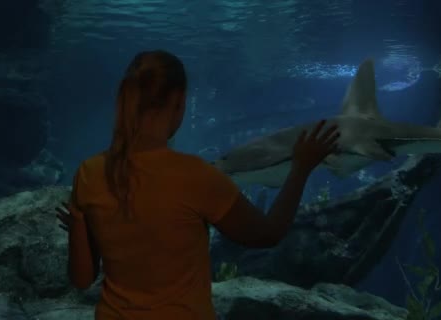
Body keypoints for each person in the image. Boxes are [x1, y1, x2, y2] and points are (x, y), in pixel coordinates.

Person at [55, 50, 340, 320]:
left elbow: (82, 280)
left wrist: (81, 231)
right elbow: (267, 234)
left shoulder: (89, 173)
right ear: (179, 102)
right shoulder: (195, 176)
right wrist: (301, 167)